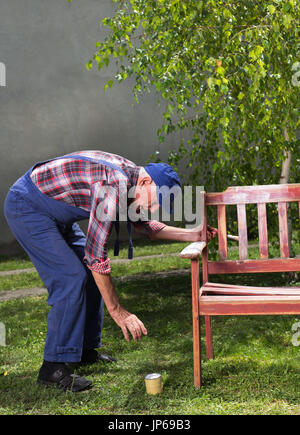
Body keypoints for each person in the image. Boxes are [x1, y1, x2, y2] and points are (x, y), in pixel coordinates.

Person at [4, 150, 217, 392]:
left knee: (88, 275)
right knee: (70, 278)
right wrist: (118, 311)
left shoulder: (131, 180)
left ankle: (83, 351)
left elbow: (145, 227)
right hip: (28, 206)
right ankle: (52, 367)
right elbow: (96, 255)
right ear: (147, 182)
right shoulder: (113, 185)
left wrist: (193, 233)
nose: (154, 208)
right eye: (156, 200)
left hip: (54, 211)